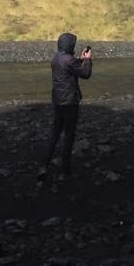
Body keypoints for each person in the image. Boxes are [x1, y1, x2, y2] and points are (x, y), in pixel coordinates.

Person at [38, 32, 92, 181]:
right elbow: (85, 74)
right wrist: (87, 60)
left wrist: (80, 59)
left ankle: (43, 166)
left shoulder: (56, 58)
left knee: (55, 133)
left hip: (57, 100)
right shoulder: (69, 60)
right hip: (70, 102)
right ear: (70, 45)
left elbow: (70, 68)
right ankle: (64, 171)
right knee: (69, 135)